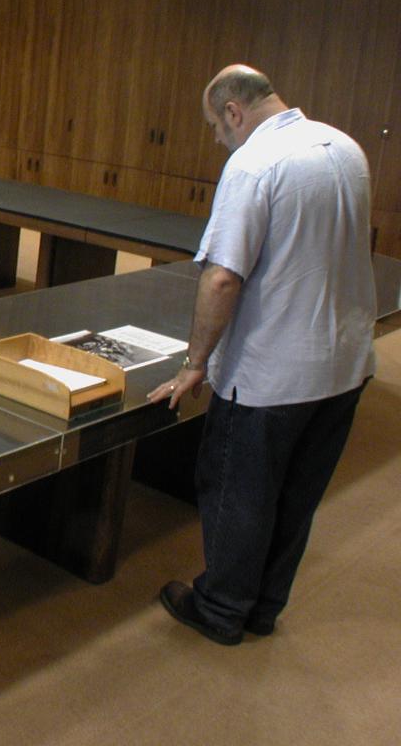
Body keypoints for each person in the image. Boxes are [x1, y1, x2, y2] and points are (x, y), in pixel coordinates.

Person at [147, 64, 376, 646]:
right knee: (297, 493)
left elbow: (223, 278)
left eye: (213, 126)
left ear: (232, 111)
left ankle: (221, 609)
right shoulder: (344, 146)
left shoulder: (252, 163)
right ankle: (263, 607)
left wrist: (195, 364)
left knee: (238, 490)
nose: (216, 139)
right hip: (345, 363)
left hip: (272, 372)